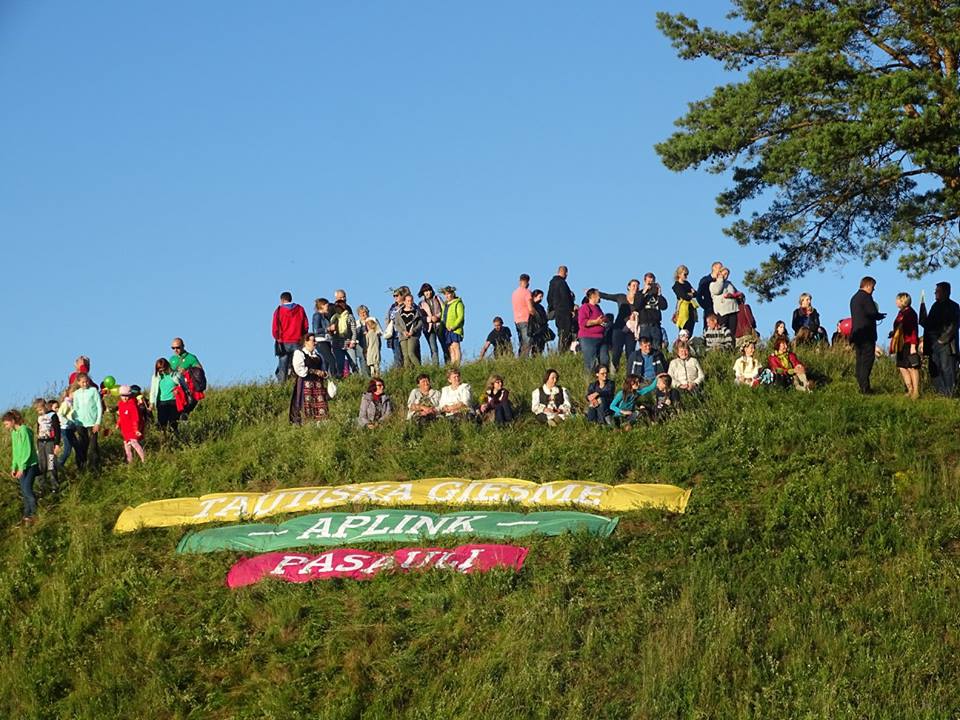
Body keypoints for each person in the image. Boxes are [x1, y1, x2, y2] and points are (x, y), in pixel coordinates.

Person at [920, 281, 960, 397]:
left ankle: (949, 394)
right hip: (933, 343)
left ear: (946, 292)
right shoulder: (935, 306)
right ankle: (940, 393)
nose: (935, 293)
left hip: (946, 344)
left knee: (947, 369)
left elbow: (954, 325)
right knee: (934, 368)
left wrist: (942, 340)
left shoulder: (953, 306)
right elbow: (928, 324)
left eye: (938, 291)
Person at [850, 276, 886, 394]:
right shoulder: (866, 297)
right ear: (868, 286)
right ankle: (865, 387)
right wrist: (879, 315)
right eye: (873, 287)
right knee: (867, 360)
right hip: (867, 334)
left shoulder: (854, 298)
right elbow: (871, 312)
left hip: (856, 333)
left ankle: (861, 384)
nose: (873, 290)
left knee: (859, 360)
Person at [4, 410, 39, 527]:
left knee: (27, 490)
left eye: (6, 424)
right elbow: (16, 451)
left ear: (13, 421)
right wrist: (14, 467)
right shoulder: (14, 433)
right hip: (20, 467)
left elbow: (27, 451)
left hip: (30, 465)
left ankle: (34, 514)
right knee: (24, 492)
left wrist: (22, 468)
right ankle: (26, 515)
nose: (6, 426)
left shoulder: (24, 430)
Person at [599, 279, 643, 371]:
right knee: (616, 352)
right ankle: (614, 371)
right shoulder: (621, 297)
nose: (636, 287)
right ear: (628, 287)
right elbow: (608, 296)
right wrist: (595, 293)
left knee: (630, 353)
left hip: (631, 330)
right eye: (634, 285)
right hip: (619, 328)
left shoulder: (639, 300)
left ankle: (629, 373)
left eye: (637, 286)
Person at [289, 333, 330, 425]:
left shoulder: (318, 356)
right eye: (313, 340)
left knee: (320, 408)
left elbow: (323, 368)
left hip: (318, 385)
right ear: (306, 342)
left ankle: (320, 425)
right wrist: (314, 371)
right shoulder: (299, 353)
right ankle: (303, 423)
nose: (315, 343)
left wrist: (324, 373)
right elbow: (300, 370)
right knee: (306, 405)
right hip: (305, 385)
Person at [272, 292, 309, 383]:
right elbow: (305, 325)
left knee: (283, 364)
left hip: (284, 341)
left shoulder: (279, 310)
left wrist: (277, 337)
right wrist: (303, 337)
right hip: (297, 341)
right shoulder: (300, 309)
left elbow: (275, 327)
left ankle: (282, 384)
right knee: (298, 363)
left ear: (282, 300)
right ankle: (299, 382)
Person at [890, 292, 920, 399]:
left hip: (909, 342)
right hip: (900, 343)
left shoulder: (910, 313)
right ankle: (909, 389)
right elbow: (899, 327)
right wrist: (893, 333)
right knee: (902, 367)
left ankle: (916, 391)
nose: (896, 301)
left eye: (897, 299)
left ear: (902, 300)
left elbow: (913, 331)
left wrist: (913, 345)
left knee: (912, 367)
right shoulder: (900, 313)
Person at [71, 372, 102, 470]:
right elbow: (75, 408)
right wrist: (75, 422)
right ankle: (82, 466)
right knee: (82, 445)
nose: (85, 384)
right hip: (80, 423)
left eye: (87, 381)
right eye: (83, 382)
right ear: (79, 383)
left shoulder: (93, 390)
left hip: (92, 422)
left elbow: (99, 407)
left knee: (93, 446)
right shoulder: (76, 393)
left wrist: (98, 422)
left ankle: (95, 467)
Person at [578, 289, 609, 373]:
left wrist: (604, 321)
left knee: (605, 359)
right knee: (590, 361)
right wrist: (596, 322)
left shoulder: (598, 308)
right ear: (593, 296)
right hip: (588, 337)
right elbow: (583, 323)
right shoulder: (585, 307)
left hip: (601, 337)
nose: (600, 297)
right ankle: (588, 380)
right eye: (598, 295)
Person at [33, 398, 60, 494]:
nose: (40, 412)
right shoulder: (39, 417)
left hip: (50, 442)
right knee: (41, 465)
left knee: (51, 464)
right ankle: (42, 487)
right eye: (38, 411)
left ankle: (55, 486)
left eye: (41, 409)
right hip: (41, 443)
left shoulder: (52, 415)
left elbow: (57, 430)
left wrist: (57, 444)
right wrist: (37, 443)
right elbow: (38, 430)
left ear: (45, 406)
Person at [547, 266, 576, 352]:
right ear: (565, 273)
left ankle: (562, 350)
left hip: (557, 311)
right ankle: (563, 351)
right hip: (564, 311)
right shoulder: (562, 283)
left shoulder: (552, 283)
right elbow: (566, 297)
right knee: (566, 332)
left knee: (561, 331)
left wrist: (552, 307)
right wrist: (571, 309)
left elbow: (549, 297)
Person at [637, 273, 669, 348]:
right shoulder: (640, 294)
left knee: (656, 347)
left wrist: (659, 294)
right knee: (645, 347)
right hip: (644, 325)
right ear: (644, 282)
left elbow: (664, 306)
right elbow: (637, 306)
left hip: (655, 325)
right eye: (649, 282)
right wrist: (644, 292)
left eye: (652, 282)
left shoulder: (657, 295)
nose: (651, 285)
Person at [330, 299, 361, 377]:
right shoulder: (334, 318)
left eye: (338, 307)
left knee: (353, 362)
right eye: (336, 307)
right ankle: (340, 379)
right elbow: (330, 330)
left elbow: (353, 329)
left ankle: (356, 379)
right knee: (339, 363)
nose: (337, 308)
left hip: (348, 341)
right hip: (337, 342)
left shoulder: (349, 316)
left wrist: (353, 341)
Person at [149, 359, 182, 432]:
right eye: (159, 370)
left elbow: (183, 386)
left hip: (174, 401)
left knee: (173, 422)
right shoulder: (155, 377)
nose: (162, 371)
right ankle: (163, 438)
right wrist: (151, 403)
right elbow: (153, 390)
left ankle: (175, 438)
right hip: (161, 402)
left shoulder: (175, 374)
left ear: (167, 366)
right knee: (162, 423)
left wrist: (178, 390)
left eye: (163, 369)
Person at [116, 386, 146, 464]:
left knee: (134, 443)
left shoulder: (132, 405)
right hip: (124, 429)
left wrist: (136, 429)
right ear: (120, 396)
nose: (125, 398)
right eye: (123, 396)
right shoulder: (120, 404)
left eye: (127, 396)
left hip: (131, 428)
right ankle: (130, 462)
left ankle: (144, 460)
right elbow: (121, 416)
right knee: (127, 446)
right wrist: (118, 424)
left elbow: (135, 418)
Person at [709, 266, 742, 336]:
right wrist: (720, 279)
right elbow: (717, 290)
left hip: (733, 310)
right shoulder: (712, 284)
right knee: (722, 331)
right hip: (722, 312)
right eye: (724, 273)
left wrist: (738, 295)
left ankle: (732, 345)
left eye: (727, 274)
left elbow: (737, 292)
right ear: (719, 273)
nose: (725, 276)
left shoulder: (729, 284)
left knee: (732, 332)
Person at [311, 298, 340, 376]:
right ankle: (335, 377)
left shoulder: (324, 316)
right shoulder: (317, 315)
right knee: (332, 360)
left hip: (326, 340)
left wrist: (331, 331)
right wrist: (328, 328)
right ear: (322, 306)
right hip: (320, 341)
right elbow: (316, 330)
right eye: (327, 306)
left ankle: (325, 379)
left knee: (326, 362)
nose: (328, 308)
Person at [418, 283, 445, 365]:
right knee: (433, 348)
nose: (428, 293)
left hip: (439, 326)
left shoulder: (437, 298)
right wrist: (429, 319)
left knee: (444, 346)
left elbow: (444, 310)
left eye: (429, 290)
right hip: (428, 328)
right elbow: (421, 317)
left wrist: (438, 317)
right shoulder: (421, 304)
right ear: (422, 292)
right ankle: (435, 366)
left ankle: (449, 364)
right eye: (425, 291)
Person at [394, 293, 423, 367]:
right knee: (406, 356)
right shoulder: (399, 313)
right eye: (408, 301)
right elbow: (396, 324)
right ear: (404, 302)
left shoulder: (416, 312)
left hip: (413, 336)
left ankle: (420, 369)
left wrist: (413, 331)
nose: (409, 302)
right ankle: (407, 373)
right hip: (403, 336)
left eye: (411, 301)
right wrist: (403, 331)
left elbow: (420, 323)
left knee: (411, 353)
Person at [440, 286, 465, 366]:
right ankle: (453, 364)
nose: (447, 296)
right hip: (447, 329)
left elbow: (460, 316)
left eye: (448, 294)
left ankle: (457, 364)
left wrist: (453, 326)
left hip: (455, 329)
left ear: (453, 294)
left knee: (455, 346)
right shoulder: (445, 304)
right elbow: (443, 316)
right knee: (450, 347)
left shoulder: (458, 303)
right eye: (445, 294)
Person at [512, 274, 535, 358]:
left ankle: (520, 358)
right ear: (528, 282)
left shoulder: (514, 293)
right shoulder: (527, 292)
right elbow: (530, 308)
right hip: (526, 319)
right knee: (527, 341)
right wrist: (535, 314)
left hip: (517, 320)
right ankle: (524, 359)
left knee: (521, 341)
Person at [357, 306, 383, 377]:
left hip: (373, 345)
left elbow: (380, 331)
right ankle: (367, 378)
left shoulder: (373, 320)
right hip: (362, 345)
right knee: (364, 362)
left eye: (364, 312)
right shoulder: (358, 323)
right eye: (361, 313)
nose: (363, 314)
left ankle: (376, 376)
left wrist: (372, 332)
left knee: (374, 362)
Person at [672, 265, 699, 335]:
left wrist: (690, 294)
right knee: (683, 329)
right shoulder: (676, 285)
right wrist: (691, 294)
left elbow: (696, 293)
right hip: (682, 310)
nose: (686, 276)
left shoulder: (687, 283)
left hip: (691, 308)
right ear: (679, 274)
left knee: (691, 328)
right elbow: (683, 296)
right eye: (685, 274)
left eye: (687, 274)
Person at [696, 262, 722, 331]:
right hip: (709, 308)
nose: (721, 270)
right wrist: (705, 306)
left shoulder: (721, 281)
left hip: (720, 308)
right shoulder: (705, 280)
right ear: (714, 268)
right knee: (708, 327)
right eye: (719, 268)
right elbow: (698, 295)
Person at [385, 288, 406, 369]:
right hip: (393, 334)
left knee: (402, 354)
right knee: (396, 354)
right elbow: (388, 318)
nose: (395, 297)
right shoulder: (392, 307)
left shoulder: (405, 306)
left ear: (402, 295)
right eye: (394, 296)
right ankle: (398, 371)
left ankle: (403, 370)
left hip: (401, 333)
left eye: (397, 295)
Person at [528, 289, 553, 355]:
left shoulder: (539, 307)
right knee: (537, 348)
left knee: (539, 347)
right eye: (540, 296)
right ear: (535, 296)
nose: (541, 298)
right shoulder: (534, 307)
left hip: (539, 330)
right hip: (537, 330)